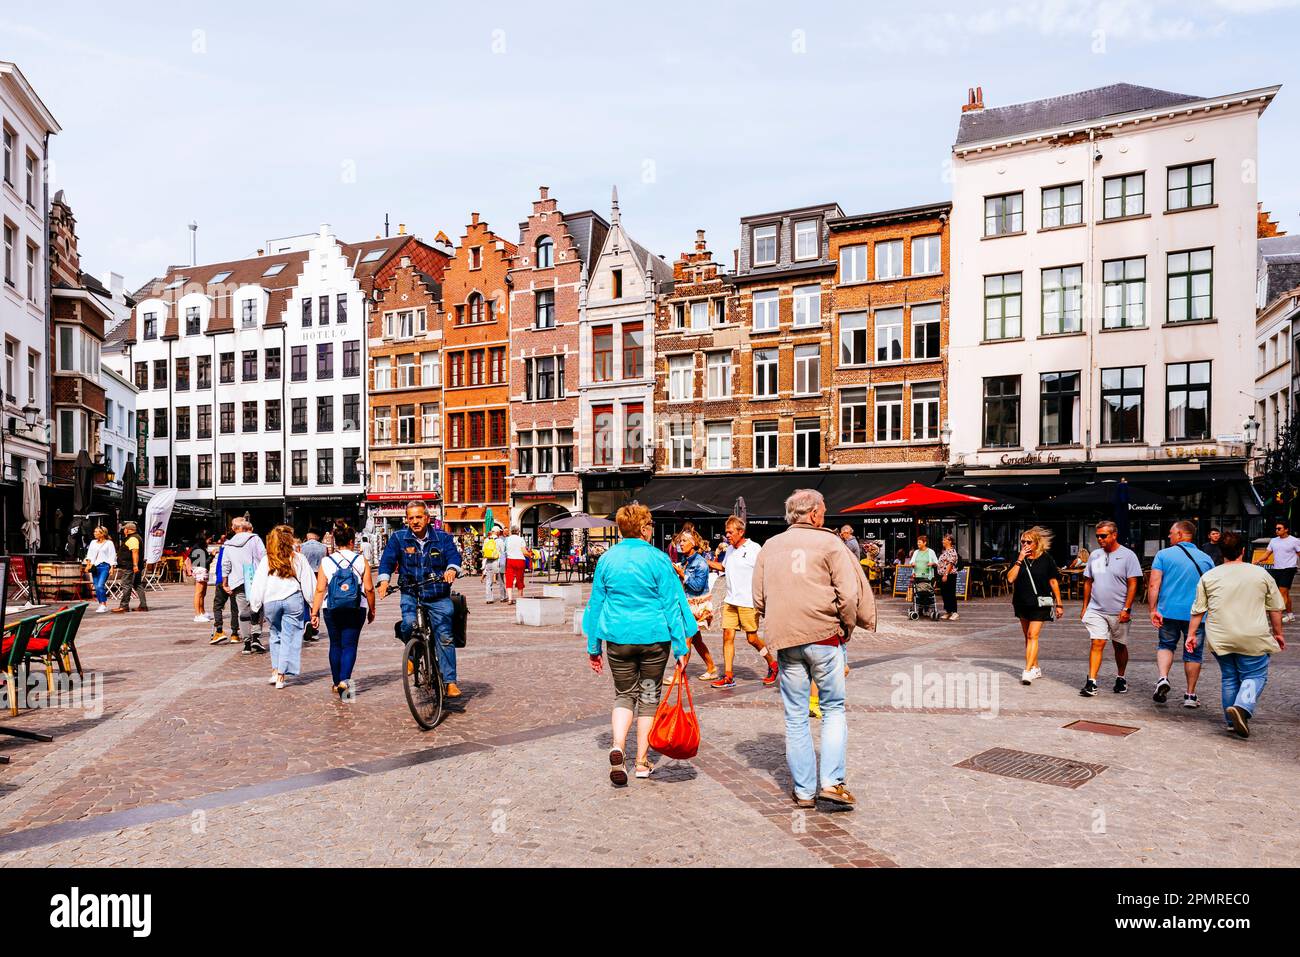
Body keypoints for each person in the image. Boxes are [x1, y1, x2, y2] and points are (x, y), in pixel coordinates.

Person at [753, 489, 875, 810]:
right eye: (823, 510)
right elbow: (848, 594)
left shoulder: (770, 546)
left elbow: (758, 599)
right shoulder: (831, 543)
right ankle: (832, 783)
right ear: (814, 514)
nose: (824, 514)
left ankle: (804, 791)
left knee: (795, 716)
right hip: (824, 636)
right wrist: (846, 627)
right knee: (833, 709)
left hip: (786, 640)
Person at [584, 504, 695, 785]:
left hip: (618, 638)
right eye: (651, 525)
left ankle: (618, 746)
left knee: (623, 694)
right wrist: (681, 648)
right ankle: (642, 762)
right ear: (644, 529)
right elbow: (672, 605)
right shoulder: (658, 559)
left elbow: (596, 604)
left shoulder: (607, 559)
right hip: (653, 640)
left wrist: (594, 647)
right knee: (648, 696)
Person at [1188, 531, 1287, 739]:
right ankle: (1242, 707)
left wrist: (1191, 634)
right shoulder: (1260, 574)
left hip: (1220, 636)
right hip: (1252, 636)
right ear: (1243, 550)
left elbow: (1198, 610)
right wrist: (1278, 633)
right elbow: (1275, 608)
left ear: (1221, 552)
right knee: (1255, 675)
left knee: (1229, 677)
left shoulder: (1209, 576)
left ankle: (1231, 722)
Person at [377, 501, 464, 697]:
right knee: (408, 624)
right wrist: (384, 581)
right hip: (411, 592)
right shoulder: (399, 538)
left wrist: (451, 569)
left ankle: (449, 681)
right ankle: (413, 655)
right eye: (411, 518)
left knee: (444, 635)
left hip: (437, 594)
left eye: (419, 517)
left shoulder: (442, 538)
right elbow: (387, 560)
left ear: (427, 518)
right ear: (407, 520)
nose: (415, 521)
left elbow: (454, 557)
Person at [1148, 520, 1216, 708]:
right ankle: (1190, 695)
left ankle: (1163, 678)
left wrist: (1153, 609)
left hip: (1168, 611)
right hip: (1197, 614)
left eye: (1171, 533)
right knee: (1193, 654)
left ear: (1180, 534)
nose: (1169, 536)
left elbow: (1154, 584)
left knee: (1166, 645)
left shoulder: (1163, 555)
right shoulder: (1206, 559)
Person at [706, 515, 777, 689]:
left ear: (741, 532)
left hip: (748, 602)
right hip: (730, 601)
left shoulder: (754, 548)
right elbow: (724, 567)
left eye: (730, 532)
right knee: (727, 636)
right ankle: (728, 676)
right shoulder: (730, 550)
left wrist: (764, 598)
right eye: (726, 532)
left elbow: (765, 572)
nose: (727, 535)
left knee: (752, 639)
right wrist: (705, 561)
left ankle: (773, 664)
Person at [310, 523, 376, 699]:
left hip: (331, 608)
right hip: (356, 607)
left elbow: (320, 589)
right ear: (352, 541)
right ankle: (345, 683)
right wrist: (372, 609)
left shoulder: (326, 561)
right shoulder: (361, 560)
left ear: (335, 541)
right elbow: (369, 588)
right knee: (349, 645)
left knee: (335, 644)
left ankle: (336, 682)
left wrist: (314, 613)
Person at [247, 524, 316, 689]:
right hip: (293, 599)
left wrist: (255, 605)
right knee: (289, 637)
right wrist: (313, 604)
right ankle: (281, 675)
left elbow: (258, 584)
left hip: (271, 600)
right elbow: (308, 583)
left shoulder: (267, 559)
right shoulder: (298, 558)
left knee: (275, 634)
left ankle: (275, 670)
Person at [1079, 520, 1142, 697]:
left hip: (1119, 611)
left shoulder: (1128, 555)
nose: (1100, 539)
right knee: (1097, 642)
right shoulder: (1095, 555)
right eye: (1097, 536)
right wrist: (1085, 607)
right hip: (1096, 610)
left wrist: (1127, 609)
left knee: (1119, 646)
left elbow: (1133, 583)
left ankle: (1121, 677)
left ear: (1114, 535)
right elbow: (1088, 581)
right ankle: (1092, 682)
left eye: (1103, 536)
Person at [1006, 526, 1063, 685]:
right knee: (1028, 637)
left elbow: (1053, 581)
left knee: (1032, 635)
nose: (1025, 544)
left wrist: (1059, 604)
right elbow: (1010, 579)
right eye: (1022, 542)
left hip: (1040, 604)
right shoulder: (1018, 558)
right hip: (1022, 602)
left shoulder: (1046, 558)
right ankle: (1035, 667)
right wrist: (1019, 559)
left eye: (1028, 542)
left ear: (1036, 543)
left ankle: (1027, 671)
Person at [671, 531, 721, 681]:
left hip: (699, 606)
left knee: (687, 638)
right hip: (689, 605)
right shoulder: (685, 560)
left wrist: (682, 574)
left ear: (693, 544)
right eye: (680, 541)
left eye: (684, 541)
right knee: (696, 640)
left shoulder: (700, 562)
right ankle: (711, 668)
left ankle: (679, 674)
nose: (681, 544)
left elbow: (698, 586)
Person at [222, 518, 268, 654]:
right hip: (255, 578)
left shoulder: (228, 544)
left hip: (237, 580)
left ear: (234, 529)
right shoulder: (254, 539)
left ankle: (247, 643)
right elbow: (263, 557)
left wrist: (225, 582)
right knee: (257, 608)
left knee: (243, 611)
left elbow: (226, 564)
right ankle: (255, 637)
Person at [1260, 520, 1300, 622]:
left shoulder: (1294, 541)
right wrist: (1258, 560)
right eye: (1276, 528)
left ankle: (1278, 615)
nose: (1277, 530)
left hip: (1289, 568)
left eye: (1279, 528)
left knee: (1281, 593)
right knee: (1285, 593)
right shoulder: (1273, 541)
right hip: (1277, 569)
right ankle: (1290, 615)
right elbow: (1267, 554)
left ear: (1286, 529)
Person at [111, 521, 149, 614]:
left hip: (130, 566)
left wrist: (135, 565)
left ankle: (124, 606)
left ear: (128, 530)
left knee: (126, 584)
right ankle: (143, 606)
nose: (123, 530)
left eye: (124, 529)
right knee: (137, 584)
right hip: (134, 565)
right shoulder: (136, 537)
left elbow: (135, 552)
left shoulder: (133, 538)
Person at [82, 525, 116, 614]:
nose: (94, 533)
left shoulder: (109, 543)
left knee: (100, 585)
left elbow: (112, 555)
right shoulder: (93, 542)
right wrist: (88, 565)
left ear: (102, 533)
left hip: (104, 566)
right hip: (94, 567)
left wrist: (112, 567)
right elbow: (89, 555)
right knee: (97, 586)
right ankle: (101, 604)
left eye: (96, 532)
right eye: (94, 531)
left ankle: (103, 604)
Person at [187, 534, 212, 624]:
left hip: (201, 571)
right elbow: (203, 563)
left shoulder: (198, 547)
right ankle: (197, 615)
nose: (210, 541)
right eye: (209, 539)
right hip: (200, 571)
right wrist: (212, 556)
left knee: (202, 593)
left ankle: (202, 612)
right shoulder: (198, 549)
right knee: (199, 593)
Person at [210, 533, 230, 645]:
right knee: (235, 607)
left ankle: (219, 630)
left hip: (222, 579)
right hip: (236, 579)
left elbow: (221, 565)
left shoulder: (223, 548)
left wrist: (219, 578)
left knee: (217, 605)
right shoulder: (238, 548)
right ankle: (235, 634)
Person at [936, 534, 961, 621]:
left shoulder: (952, 551)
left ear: (950, 541)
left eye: (944, 540)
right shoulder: (945, 551)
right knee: (944, 594)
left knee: (950, 593)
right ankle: (948, 611)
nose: (942, 541)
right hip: (942, 575)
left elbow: (950, 564)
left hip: (949, 575)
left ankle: (954, 612)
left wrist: (945, 575)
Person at [502, 525, 528, 605]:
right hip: (520, 560)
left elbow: (504, 550)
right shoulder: (521, 539)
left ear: (511, 531)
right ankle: (520, 598)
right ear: (518, 531)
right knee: (520, 579)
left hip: (510, 560)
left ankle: (510, 599)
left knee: (509, 579)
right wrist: (530, 555)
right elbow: (524, 552)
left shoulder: (507, 539)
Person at [481, 527, 506, 604]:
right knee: (501, 580)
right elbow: (503, 553)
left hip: (488, 562)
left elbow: (483, 551)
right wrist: (503, 565)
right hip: (497, 562)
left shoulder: (486, 540)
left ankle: (489, 599)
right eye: (499, 532)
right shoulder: (500, 541)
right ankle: (503, 597)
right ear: (497, 532)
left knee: (489, 581)